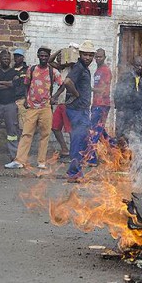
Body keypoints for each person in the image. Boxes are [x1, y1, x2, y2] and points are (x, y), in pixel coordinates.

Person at [6, 46, 62, 170]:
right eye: (41, 55)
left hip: (46, 108)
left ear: (48, 57)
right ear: (38, 56)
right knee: (26, 134)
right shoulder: (31, 69)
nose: (43, 58)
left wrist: (55, 97)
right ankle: (19, 161)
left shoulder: (53, 71)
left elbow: (63, 84)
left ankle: (41, 162)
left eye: (45, 56)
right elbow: (26, 85)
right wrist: (26, 99)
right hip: (32, 107)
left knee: (44, 135)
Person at [51, 40, 94, 182]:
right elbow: (68, 82)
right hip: (77, 111)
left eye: (90, 55)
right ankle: (73, 173)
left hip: (81, 110)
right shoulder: (79, 67)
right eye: (85, 54)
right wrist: (76, 94)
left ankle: (76, 171)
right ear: (80, 55)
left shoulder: (83, 68)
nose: (87, 57)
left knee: (82, 140)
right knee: (77, 141)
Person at [114, 55, 142, 141]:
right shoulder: (125, 77)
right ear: (133, 65)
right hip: (126, 110)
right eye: (137, 65)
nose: (140, 68)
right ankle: (122, 153)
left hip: (139, 111)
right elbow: (118, 93)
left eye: (141, 66)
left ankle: (137, 152)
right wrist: (119, 108)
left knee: (138, 133)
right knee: (123, 133)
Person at [49, 49, 72, 160]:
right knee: (55, 127)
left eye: (61, 57)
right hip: (60, 103)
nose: (58, 59)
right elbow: (49, 61)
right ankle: (64, 149)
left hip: (68, 103)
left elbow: (65, 86)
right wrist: (59, 51)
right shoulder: (60, 69)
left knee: (70, 130)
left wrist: (55, 96)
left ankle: (74, 151)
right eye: (58, 57)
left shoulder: (71, 68)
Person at [12, 48, 29, 131]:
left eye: (19, 56)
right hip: (12, 100)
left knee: (23, 124)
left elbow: (29, 86)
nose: (16, 58)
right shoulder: (11, 70)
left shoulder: (28, 70)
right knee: (12, 123)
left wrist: (27, 99)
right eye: (15, 56)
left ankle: (22, 143)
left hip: (22, 99)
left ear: (23, 57)